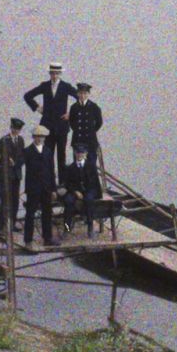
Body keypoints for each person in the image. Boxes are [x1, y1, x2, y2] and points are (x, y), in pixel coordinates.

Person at [23, 61, 75, 225]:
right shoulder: (45, 86)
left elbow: (79, 97)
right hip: (47, 127)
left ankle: (62, 184)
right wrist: (38, 108)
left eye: (56, 73)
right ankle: (51, 184)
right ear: (49, 74)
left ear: (60, 74)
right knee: (47, 156)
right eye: (52, 73)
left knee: (61, 155)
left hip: (61, 126)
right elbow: (27, 96)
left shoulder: (66, 86)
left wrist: (70, 113)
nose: (54, 76)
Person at [67, 81, 107, 236]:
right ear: (77, 94)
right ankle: (67, 227)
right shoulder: (74, 107)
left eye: (85, 93)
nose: (82, 95)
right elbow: (72, 123)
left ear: (88, 94)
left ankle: (91, 194)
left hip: (89, 143)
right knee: (76, 170)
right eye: (80, 93)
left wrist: (90, 133)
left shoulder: (94, 107)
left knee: (89, 170)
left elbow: (99, 123)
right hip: (78, 141)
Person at [0, 117, 28, 238]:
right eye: (14, 128)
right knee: (5, 200)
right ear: (11, 128)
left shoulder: (21, 140)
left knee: (15, 200)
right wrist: (4, 162)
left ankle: (12, 224)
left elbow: (23, 156)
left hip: (16, 175)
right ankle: (1, 227)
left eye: (18, 129)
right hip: (5, 176)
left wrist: (17, 163)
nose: (16, 131)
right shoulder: (4, 141)